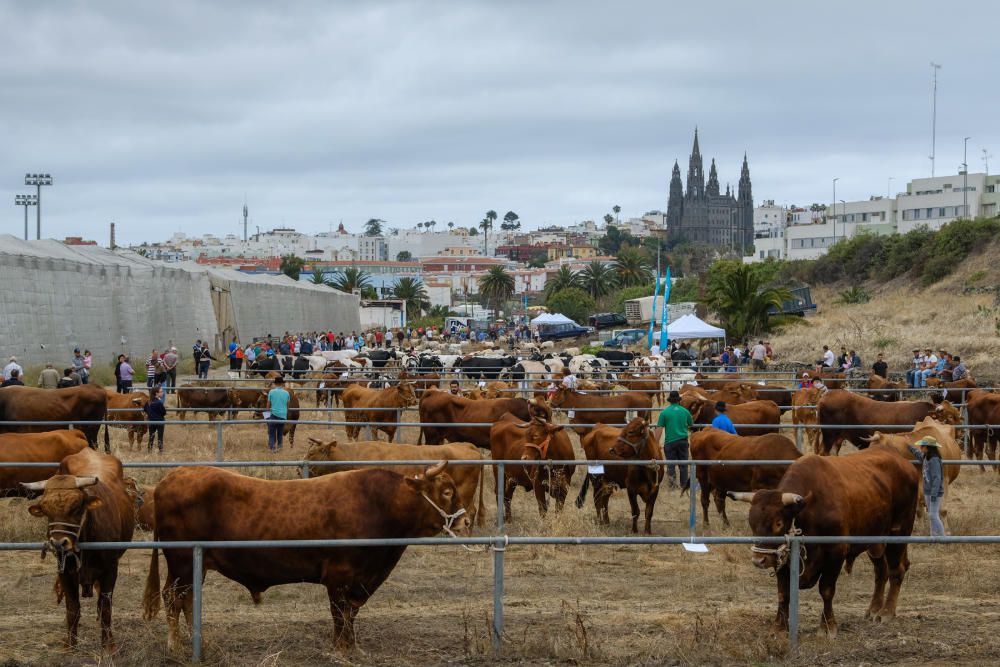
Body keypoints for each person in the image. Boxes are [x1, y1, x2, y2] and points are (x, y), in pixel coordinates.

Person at [654, 390, 694, 489]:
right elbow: (691, 424)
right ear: (678, 400)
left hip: (670, 442)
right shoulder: (685, 411)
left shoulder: (664, 412)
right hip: (683, 441)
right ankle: (684, 485)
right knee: (683, 465)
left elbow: (659, 429)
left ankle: (672, 485)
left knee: (671, 465)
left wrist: (655, 443)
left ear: (670, 401)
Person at [908, 436, 945, 537]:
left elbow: (937, 478)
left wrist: (934, 493)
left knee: (933, 515)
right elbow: (919, 455)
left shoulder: (934, 460)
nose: (920, 447)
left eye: (922, 445)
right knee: (932, 515)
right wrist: (910, 447)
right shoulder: (926, 457)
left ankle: (943, 537)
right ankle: (933, 536)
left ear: (928, 447)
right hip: (928, 491)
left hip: (935, 493)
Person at [266, 376, 291, 453]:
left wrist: (267, 417)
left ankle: (272, 447)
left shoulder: (271, 392)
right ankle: (280, 447)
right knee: (280, 432)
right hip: (283, 415)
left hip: (273, 414)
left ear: (275, 384)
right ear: (282, 384)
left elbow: (268, 405)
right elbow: (288, 406)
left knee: (272, 432)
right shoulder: (287, 393)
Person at [144, 386, 167, 453]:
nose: (163, 393)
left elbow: (145, 409)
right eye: (161, 391)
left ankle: (149, 449)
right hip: (160, 421)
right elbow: (164, 412)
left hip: (151, 421)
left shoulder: (148, 402)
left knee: (151, 436)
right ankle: (160, 450)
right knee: (160, 437)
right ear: (156, 393)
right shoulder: (159, 403)